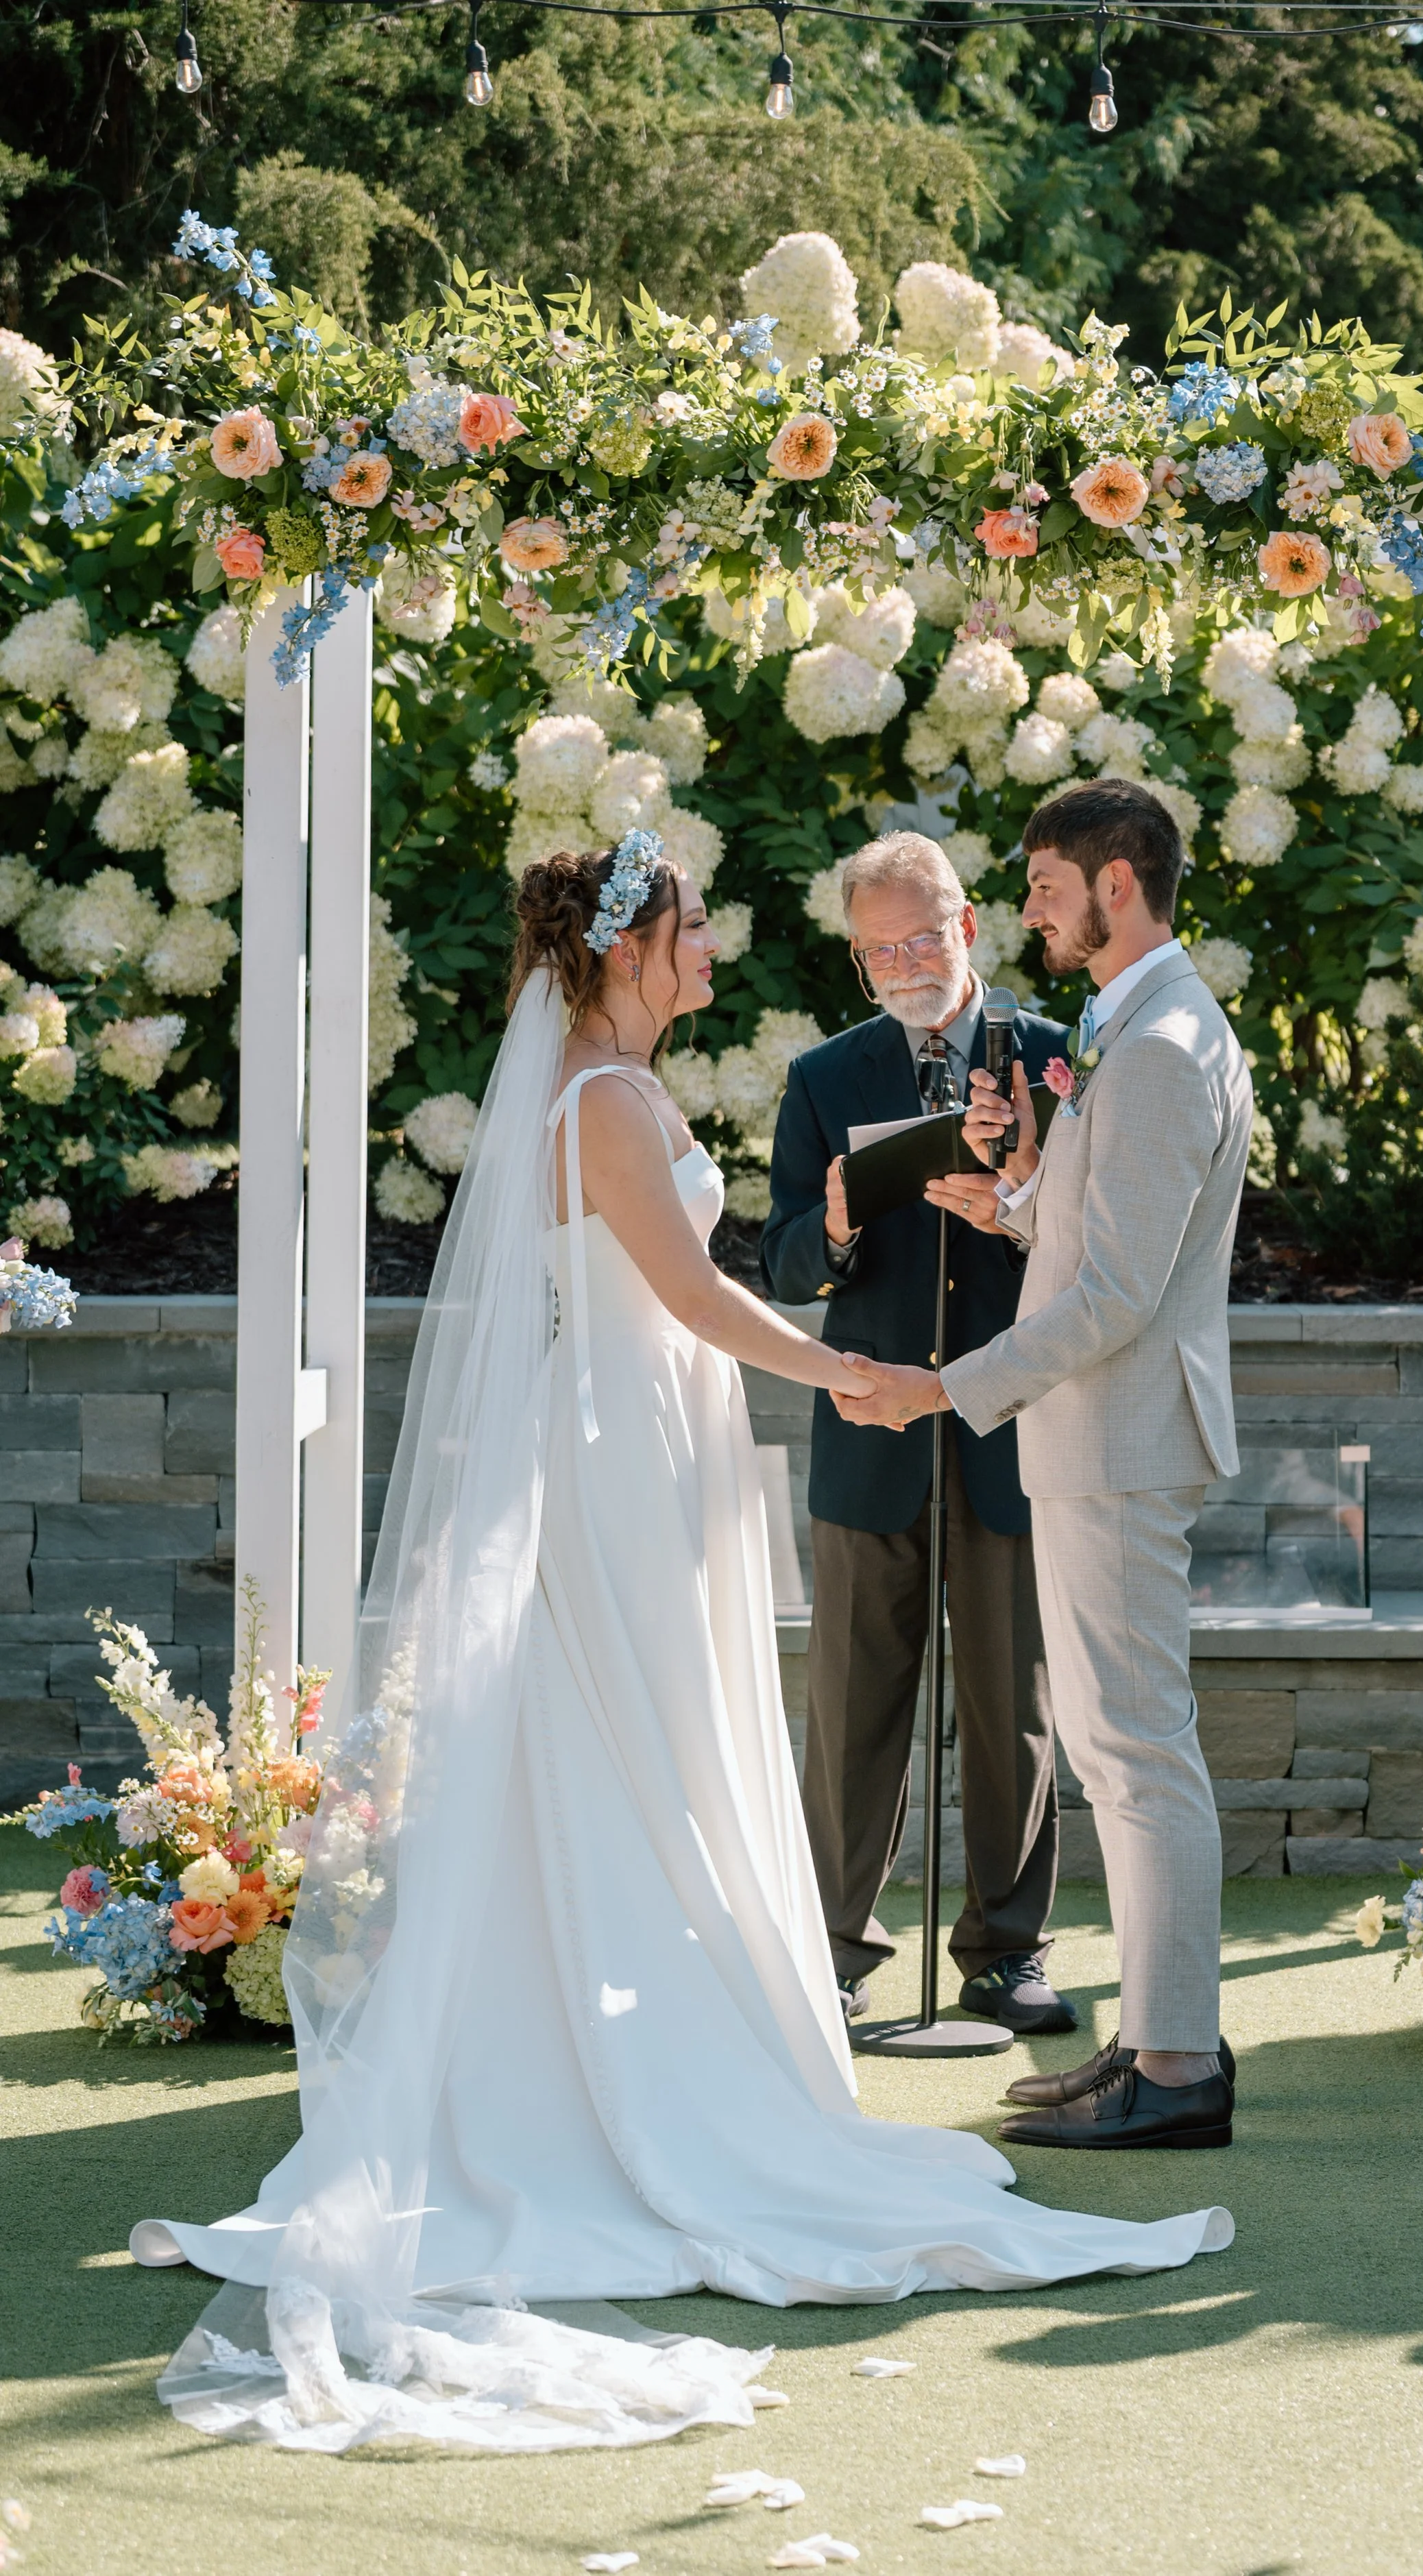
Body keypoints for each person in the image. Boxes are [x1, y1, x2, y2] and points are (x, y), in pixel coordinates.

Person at [129, 828, 1232, 2457]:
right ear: (630, 948)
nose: (715, 951)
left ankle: (674, 2007)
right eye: (695, 930)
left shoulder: (619, 1088)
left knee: (662, 1737)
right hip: (624, 1448)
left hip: (657, 1435)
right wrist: (849, 1373)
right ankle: (596, 2062)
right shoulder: (607, 1101)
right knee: (627, 1737)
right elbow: (705, 1295)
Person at [834, 780, 1252, 2154]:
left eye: (1045, 887)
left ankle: (1177, 2064)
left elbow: (1118, 1297)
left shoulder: (1156, 1043)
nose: (1029, 910)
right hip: (1098, 1437)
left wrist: (940, 1389)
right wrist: (1008, 1200)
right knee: (1118, 1751)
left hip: (1118, 1439)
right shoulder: (1129, 1026)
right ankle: (1148, 2036)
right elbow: (1095, 1243)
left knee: (1137, 1752)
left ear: (1115, 884)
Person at [762, 832, 1075, 2037]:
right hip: (867, 1430)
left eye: (920, 937)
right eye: (876, 947)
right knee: (850, 1708)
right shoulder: (826, 1077)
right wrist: (835, 1222)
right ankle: (833, 1951)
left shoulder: (1055, 1060)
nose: (902, 962)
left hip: (1010, 1432)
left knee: (1017, 1706)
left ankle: (1009, 1951)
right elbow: (780, 1259)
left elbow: (1096, 1251)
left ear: (970, 930)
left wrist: (1011, 1217)